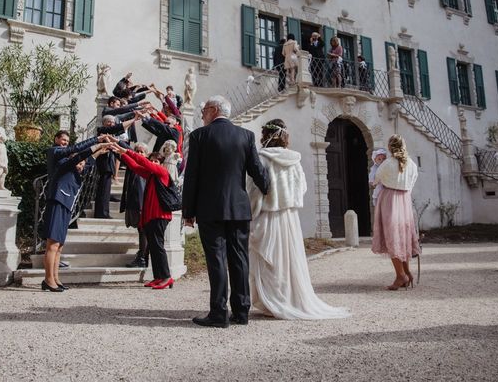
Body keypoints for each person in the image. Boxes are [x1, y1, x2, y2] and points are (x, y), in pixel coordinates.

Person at [247, 119, 350, 320]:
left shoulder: (262, 158)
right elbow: (301, 188)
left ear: (266, 137)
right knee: (289, 259)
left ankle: (273, 300)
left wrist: (250, 212)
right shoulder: (295, 160)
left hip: (268, 216)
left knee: (270, 261)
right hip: (289, 217)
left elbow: (254, 190)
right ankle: (288, 298)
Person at [183, 95, 269, 328]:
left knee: (216, 259)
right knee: (240, 258)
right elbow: (257, 171)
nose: (202, 115)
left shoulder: (200, 136)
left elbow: (192, 176)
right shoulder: (246, 136)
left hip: (209, 208)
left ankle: (219, 312)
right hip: (239, 208)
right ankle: (242, 312)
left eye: (203, 111)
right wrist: (268, 188)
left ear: (213, 110)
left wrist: (188, 211)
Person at [42, 133, 111, 292]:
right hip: (57, 202)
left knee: (59, 246)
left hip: (66, 206)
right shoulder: (62, 162)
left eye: (82, 164)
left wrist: (102, 150)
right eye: (79, 163)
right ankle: (48, 279)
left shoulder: (76, 169)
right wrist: (97, 142)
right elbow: (78, 155)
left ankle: (55, 278)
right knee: (52, 244)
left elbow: (89, 161)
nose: (81, 165)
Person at [113, 146, 174, 289]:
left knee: (158, 247)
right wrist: (119, 152)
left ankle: (166, 277)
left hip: (160, 216)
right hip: (151, 216)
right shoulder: (151, 175)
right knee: (153, 247)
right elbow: (135, 166)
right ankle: (158, 277)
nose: (153, 163)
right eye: (152, 160)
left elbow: (143, 162)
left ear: (161, 163)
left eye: (156, 161)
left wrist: (126, 150)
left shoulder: (162, 172)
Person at [372, 134, 421, 290]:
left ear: (390, 147)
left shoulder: (388, 163)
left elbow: (376, 180)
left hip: (390, 200)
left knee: (392, 236)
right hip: (405, 200)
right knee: (403, 236)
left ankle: (401, 276)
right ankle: (406, 273)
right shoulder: (412, 164)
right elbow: (412, 182)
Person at [121, 142, 150, 268]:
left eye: (142, 152)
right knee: (140, 230)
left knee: (143, 230)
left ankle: (143, 257)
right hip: (133, 202)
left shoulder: (146, 167)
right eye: (137, 151)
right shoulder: (132, 166)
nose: (139, 154)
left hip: (142, 204)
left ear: (146, 154)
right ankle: (142, 255)